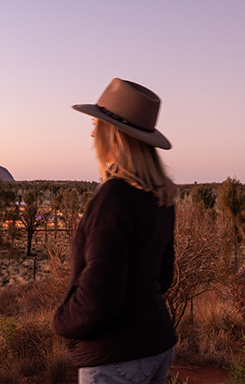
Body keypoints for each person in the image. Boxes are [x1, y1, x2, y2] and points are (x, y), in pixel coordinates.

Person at [53, 78, 178, 384]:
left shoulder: (113, 198)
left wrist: (62, 321)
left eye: (98, 124)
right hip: (156, 344)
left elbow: (100, 294)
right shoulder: (160, 196)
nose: (92, 132)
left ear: (115, 135)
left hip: (116, 356)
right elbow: (163, 276)